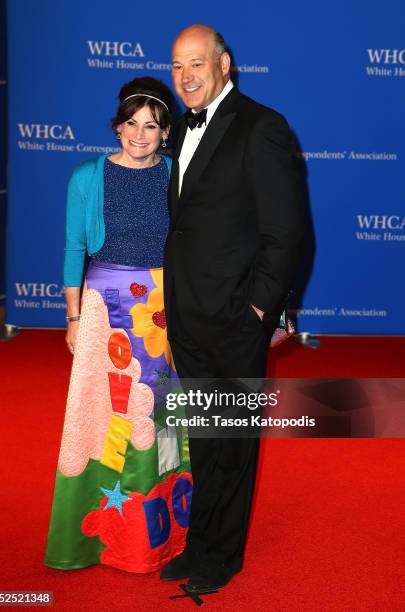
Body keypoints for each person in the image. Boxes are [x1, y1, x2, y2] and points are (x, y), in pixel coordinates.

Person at [161, 25, 306, 593]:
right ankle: (199, 544)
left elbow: (286, 232)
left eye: (197, 64)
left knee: (233, 442)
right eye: (177, 67)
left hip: (235, 318)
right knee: (205, 436)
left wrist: (258, 311)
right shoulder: (179, 132)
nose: (187, 76)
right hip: (188, 315)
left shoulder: (261, 126)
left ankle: (222, 556)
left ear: (225, 64)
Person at [45, 77, 192, 574]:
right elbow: (72, 250)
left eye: (151, 125)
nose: (140, 134)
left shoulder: (175, 173)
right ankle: (99, 534)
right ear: (117, 126)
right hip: (105, 312)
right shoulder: (88, 176)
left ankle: (161, 533)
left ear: (166, 131)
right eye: (131, 123)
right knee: (102, 417)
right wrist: (73, 316)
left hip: (162, 311)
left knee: (162, 418)